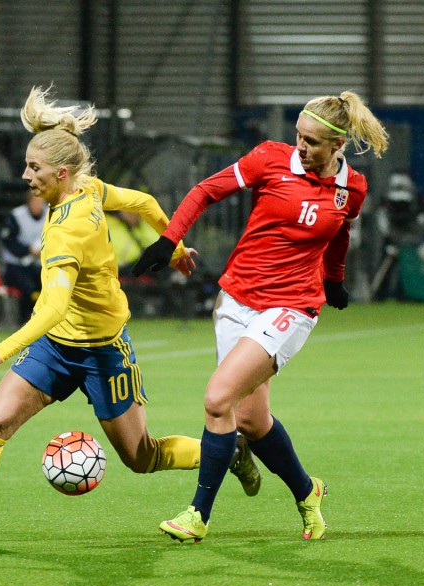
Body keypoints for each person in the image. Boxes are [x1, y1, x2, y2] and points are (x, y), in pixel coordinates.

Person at [0, 85, 200, 545]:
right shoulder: (87, 189)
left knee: (141, 457)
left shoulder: (68, 230)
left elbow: (56, 304)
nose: (25, 175)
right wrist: (175, 248)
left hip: (103, 350)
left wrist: (0, 350)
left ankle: (230, 449)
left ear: (61, 173)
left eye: (34, 168)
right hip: (56, 346)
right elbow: (144, 204)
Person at [133, 90, 389, 542]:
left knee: (217, 399)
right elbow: (205, 191)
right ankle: (308, 492)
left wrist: (334, 280)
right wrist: (167, 241)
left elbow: (340, 234)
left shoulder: (354, 187)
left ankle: (198, 515)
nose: (302, 147)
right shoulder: (269, 159)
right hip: (237, 299)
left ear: (337, 146)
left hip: (292, 306)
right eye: (298, 137)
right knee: (250, 420)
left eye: (312, 142)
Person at [0, 189, 48, 324]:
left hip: (39, 264)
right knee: (28, 288)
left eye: (41, 201)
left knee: (46, 284)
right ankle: (25, 321)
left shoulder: (50, 214)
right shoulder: (16, 216)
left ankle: (42, 321)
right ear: (29, 202)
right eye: (35, 201)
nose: (38, 205)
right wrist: (27, 250)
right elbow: (8, 241)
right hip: (17, 265)